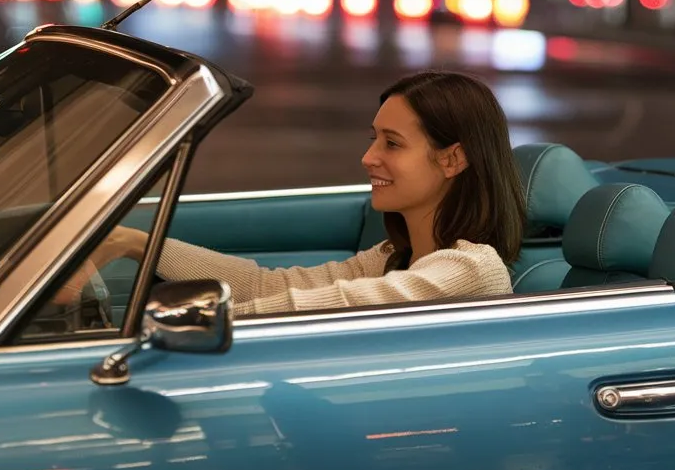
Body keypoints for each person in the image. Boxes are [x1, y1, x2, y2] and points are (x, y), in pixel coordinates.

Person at [59, 70, 526, 316]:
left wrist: (178, 324)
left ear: (452, 159)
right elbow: (272, 286)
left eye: (393, 143)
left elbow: (314, 307)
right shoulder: (392, 259)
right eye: (373, 139)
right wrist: (130, 242)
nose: (369, 158)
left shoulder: (470, 272)